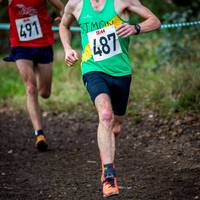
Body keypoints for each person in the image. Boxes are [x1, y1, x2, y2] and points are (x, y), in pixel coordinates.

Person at [59, 0, 161, 197]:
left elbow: (155, 21)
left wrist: (135, 28)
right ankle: (108, 175)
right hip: (92, 69)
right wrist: (67, 48)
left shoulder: (122, 1)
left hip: (121, 72)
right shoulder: (76, 4)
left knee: (116, 126)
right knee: (105, 115)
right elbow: (64, 25)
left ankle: (107, 156)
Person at [4, 0, 64, 151]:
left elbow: (62, 7)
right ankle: (40, 134)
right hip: (20, 45)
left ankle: (39, 78)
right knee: (31, 88)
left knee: (44, 93)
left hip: (43, 43)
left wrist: (64, 17)